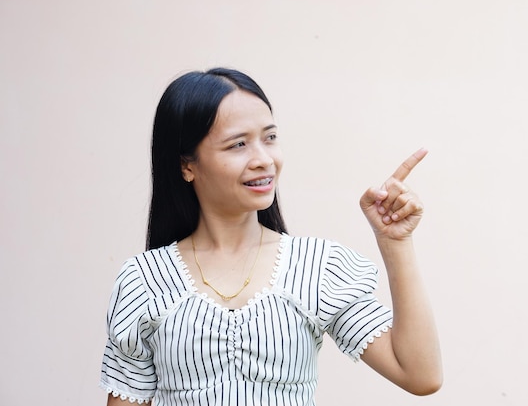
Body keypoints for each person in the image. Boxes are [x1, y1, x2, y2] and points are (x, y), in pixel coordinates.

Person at [100, 67, 442, 405]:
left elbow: (419, 375)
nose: (263, 159)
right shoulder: (144, 281)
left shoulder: (317, 268)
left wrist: (395, 243)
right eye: (238, 145)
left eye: (270, 137)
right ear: (187, 165)